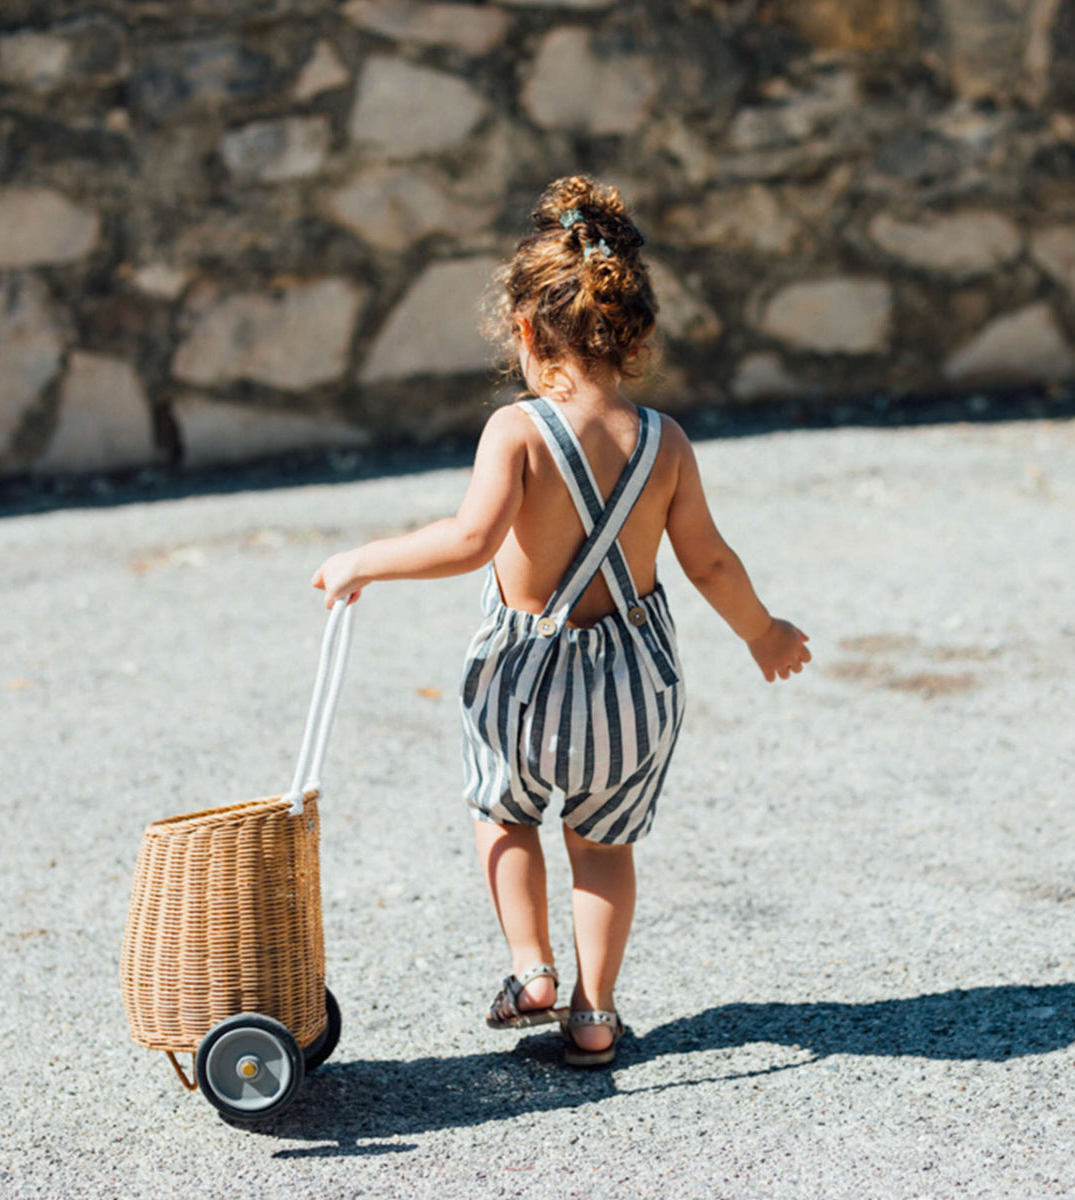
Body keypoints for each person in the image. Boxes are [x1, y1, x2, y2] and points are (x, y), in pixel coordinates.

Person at [311, 175, 810, 1067]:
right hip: (632, 690)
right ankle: (593, 1015)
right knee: (604, 848)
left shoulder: (519, 431)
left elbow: (468, 540)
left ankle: (530, 968)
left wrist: (363, 559)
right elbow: (710, 563)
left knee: (504, 816)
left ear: (528, 329)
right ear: (635, 331)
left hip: (524, 680)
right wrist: (763, 633)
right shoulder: (666, 441)